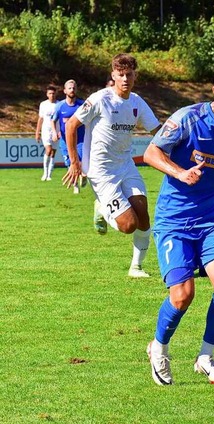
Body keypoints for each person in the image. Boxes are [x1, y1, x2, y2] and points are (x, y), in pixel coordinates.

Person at [142, 63, 214, 386]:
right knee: (182, 295)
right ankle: (159, 348)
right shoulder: (187, 119)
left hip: (210, 224)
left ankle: (206, 357)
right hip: (174, 222)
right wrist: (180, 173)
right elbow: (151, 153)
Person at [62, 53, 161, 277]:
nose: (125, 79)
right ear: (113, 75)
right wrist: (75, 163)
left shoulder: (137, 102)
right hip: (102, 171)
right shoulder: (99, 99)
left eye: (129, 74)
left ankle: (136, 267)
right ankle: (101, 208)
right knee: (129, 225)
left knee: (143, 213)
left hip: (125, 165)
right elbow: (71, 126)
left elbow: (158, 131)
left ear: (135, 76)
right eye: (121, 75)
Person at [51, 80, 85, 194]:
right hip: (65, 141)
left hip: (80, 140)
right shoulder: (60, 106)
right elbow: (53, 120)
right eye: (70, 88)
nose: (72, 90)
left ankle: (83, 174)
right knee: (70, 163)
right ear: (65, 91)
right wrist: (54, 132)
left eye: (74, 88)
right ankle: (75, 184)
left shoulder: (82, 105)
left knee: (80, 160)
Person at [35, 85, 58, 181]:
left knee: (53, 152)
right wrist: (37, 132)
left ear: (55, 94)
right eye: (50, 93)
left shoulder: (59, 104)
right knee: (48, 150)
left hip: (56, 131)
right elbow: (40, 119)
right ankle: (44, 173)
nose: (52, 95)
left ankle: (49, 174)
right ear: (47, 94)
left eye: (53, 93)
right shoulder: (43, 104)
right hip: (46, 130)